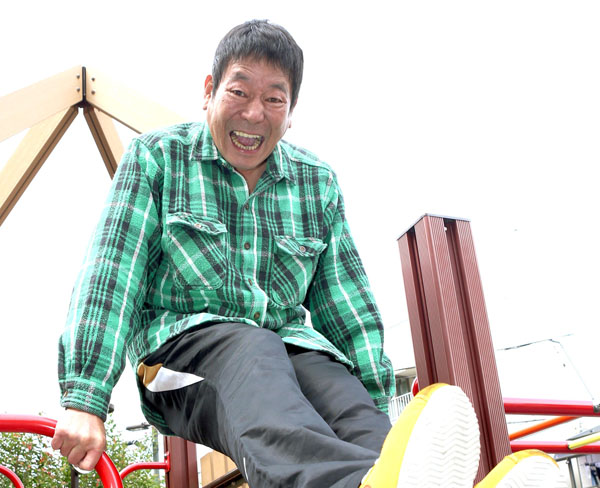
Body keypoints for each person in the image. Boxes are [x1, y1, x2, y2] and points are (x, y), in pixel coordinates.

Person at [51, 20, 567, 487]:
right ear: (209, 91)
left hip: (286, 349)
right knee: (253, 351)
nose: (254, 113)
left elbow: (347, 303)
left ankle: (393, 476)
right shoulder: (159, 158)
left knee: (341, 396)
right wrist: (85, 398)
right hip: (179, 356)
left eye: (274, 99)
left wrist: (376, 413)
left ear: (290, 111)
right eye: (239, 92)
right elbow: (112, 274)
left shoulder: (315, 182)